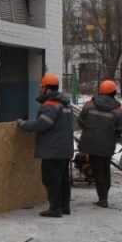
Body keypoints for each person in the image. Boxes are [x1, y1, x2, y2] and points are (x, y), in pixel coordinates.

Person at [19, 73, 74, 218]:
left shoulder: (50, 105)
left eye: (41, 87)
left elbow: (44, 123)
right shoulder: (66, 105)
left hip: (52, 150)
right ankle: (64, 207)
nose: (39, 90)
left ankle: (55, 209)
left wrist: (24, 125)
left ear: (48, 90)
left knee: (51, 179)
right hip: (64, 148)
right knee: (63, 179)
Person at [77, 79, 122, 209]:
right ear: (113, 93)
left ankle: (103, 198)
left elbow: (80, 121)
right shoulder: (117, 110)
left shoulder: (89, 104)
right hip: (107, 144)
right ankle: (104, 197)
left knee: (98, 170)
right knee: (105, 170)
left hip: (90, 143)